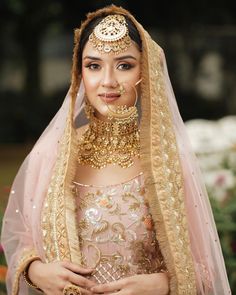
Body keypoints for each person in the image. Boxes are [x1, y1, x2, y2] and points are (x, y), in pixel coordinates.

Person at [1, 4, 232, 295]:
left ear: (145, 71)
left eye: (124, 65)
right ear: (79, 72)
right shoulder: (51, 156)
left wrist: (165, 284)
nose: (108, 81)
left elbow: (207, 267)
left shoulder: (168, 162)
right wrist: (36, 271)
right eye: (94, 65)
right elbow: (19, 237)